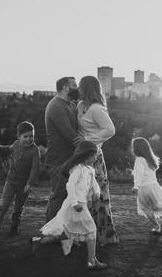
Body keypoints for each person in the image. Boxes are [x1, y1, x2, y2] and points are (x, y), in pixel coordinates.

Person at [31, 140, 108, 269]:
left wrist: (96, 192)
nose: (96, 158)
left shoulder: (90, 169)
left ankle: (40, 241)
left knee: (65, 234)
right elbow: (70, 185)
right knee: (91, 230)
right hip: (74, 205)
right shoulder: (77, 169)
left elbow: (94, 184)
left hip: (81, 204)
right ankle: (92, 261)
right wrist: (74, 203)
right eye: (95, 155)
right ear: (86, 155)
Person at [77, 75, 119, 246]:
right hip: (80, 156)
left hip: (94, 157)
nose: (78, 89)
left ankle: (101, 236)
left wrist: (89, 139)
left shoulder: (96, 108)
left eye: (80, 86)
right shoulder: (81, 106)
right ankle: (83, 234)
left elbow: (110, 129)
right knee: (82, 196)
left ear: (86, 88)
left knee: (97, 197)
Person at [0, 121, 40, 242]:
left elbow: (35, 169)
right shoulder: (15, 144)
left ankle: (14, 227)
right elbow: (8, 149)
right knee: (3, 205)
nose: (29, 139)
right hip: (11, 182)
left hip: (24, 185)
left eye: (31, 136)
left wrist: (30, 183)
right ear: (19, 136)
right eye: (25, 136)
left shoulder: (35, 151)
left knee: (18, 208)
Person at [44, 77, 84, 222]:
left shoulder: (70, 105)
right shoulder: (56, 106)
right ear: (66, 88)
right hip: (58, 161)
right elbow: (70, 135)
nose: (77, 88)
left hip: (69, 159)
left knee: (69, 197)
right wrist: (90, 146)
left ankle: (62, 233)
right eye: (74, 85)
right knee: (59, 196)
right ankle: (50, 233)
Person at [131, 137, 162, 235]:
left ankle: (157, 227)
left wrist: (136, 186)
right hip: (154, 186)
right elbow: (144, 173)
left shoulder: (139, 160)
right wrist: (133, 172)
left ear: (136, 148)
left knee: (145, 208)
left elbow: (140, 174)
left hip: (144, 188)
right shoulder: (150, 159)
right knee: (157, 204)